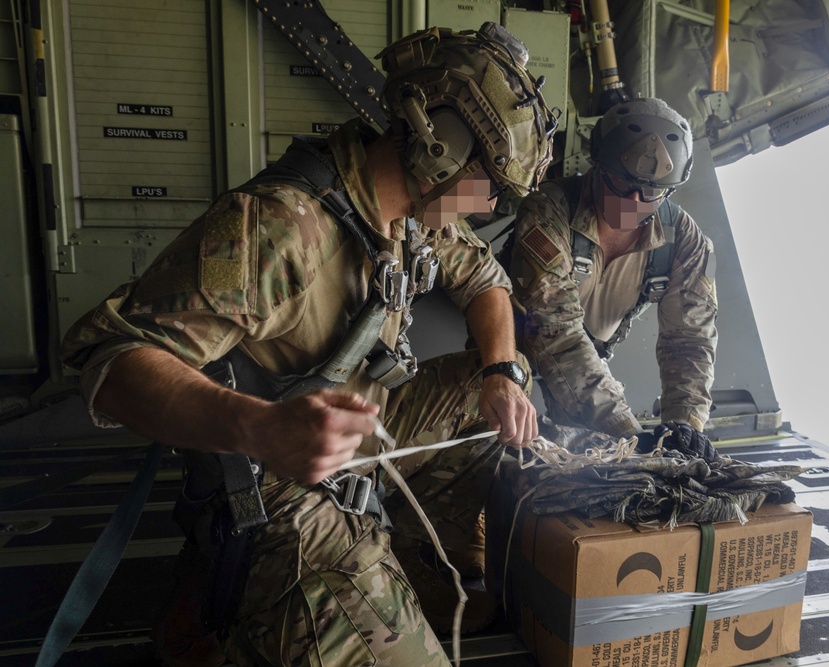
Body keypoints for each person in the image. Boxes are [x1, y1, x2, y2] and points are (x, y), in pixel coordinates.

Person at [60, 22, 556, 667]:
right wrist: (259, 428)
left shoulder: (413, 211)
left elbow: (484, 277)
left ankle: (421, 578)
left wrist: (500, 371)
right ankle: (295, 598)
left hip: (357, 437)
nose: (490, 205)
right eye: (490, 182)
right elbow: (112, 360)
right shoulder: (281, 227)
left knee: (478, 384)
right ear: (441, 149)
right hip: (281, 487)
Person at [508, 97, 719, 459]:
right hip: (513, 354)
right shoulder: (548, 211)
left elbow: (690, 338)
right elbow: (555, 333)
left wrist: (685, 423)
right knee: (503, 454)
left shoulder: (684, 237)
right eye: (622, 186)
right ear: (598, 167)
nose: (634, 200)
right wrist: (628, 432)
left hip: (589, 365)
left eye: (650, 192)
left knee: (593, 473)